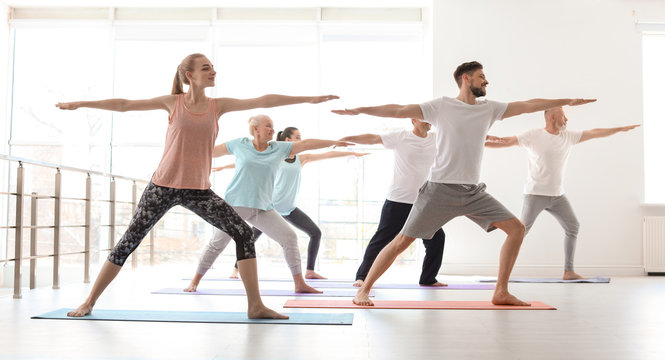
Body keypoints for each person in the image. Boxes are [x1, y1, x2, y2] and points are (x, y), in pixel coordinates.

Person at [56, 53, 339, 318]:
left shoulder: (218, 105)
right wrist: (80, 104)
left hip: (198, 190)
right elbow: (125, 105)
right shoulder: (173, 103)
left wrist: (310, 99)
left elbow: (264, 98)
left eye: (213, 67)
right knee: (129, 241)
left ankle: (255, 305)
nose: (213, 71)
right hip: (162, 186)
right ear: (189, 75)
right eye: (206, 68)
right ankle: (89, 301)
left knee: (241, 232)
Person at [332, 60, 595, 306]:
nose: (486, 82)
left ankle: (501, 291)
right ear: (466, 79)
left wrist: (567, 100)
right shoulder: (441, 106)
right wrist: (359, 110)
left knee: (516, 228)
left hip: (472, 192)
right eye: (482, 77)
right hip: (439, 190)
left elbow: (528, 104)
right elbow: (399, 109)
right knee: (401, 241)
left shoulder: (489, 108)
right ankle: (363, 289)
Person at [184, 116, 353, 293]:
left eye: (273, 126)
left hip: (263, 207)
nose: (272, 129)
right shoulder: (239, 144)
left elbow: (307, 144)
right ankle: (194, 281)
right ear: (255, 129)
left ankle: (299, 283)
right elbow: (210, 151)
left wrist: (334, 142)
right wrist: (187, 148)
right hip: (236, 205)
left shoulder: (279, 148)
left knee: (289, 237)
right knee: (217, 243)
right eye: (268, 126)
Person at [485, 107, 639, 280]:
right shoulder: (534, 135)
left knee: (573, 226)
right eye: (563, 116)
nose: (566, 119)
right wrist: (477, 143)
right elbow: (505, 142)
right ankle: (501, 273)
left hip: (558, 196)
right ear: (551, 116)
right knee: (519, 232)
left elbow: (595, 132)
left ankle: (568, 271)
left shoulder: (568, 137)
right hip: (535, 194)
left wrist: (619, 129)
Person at [221, 126, 369, 280]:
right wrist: (223, 167)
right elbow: (247, 163)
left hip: (289, 209)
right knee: (251, 237)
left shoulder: (301, 159)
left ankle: (310, 271)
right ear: (288, 141)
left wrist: (352, 153)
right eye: (297, 137)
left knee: (315, 233)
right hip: (270, 209)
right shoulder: (275, 156)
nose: (301, 140)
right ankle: (235, 269)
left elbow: (327, 154)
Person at [339, 119, 447, 287]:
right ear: (413, 120)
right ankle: (362, 277)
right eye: (424, 118)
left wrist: (492, 139)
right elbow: (373, 138)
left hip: (424, 201)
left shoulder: (436, 138)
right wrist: (347, 138)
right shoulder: (400, 137)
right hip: (398, 199)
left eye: (430, 118)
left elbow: (462, 138)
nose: (429, 122)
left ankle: (428, 278)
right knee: (382, 239)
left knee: (437, 238)